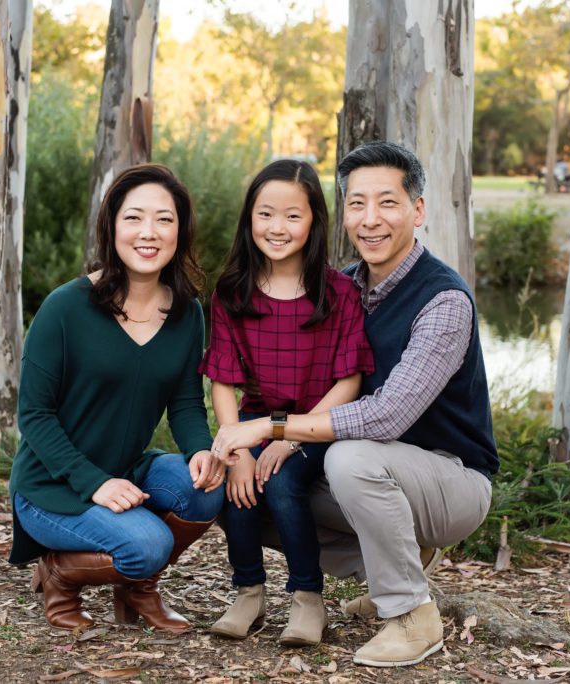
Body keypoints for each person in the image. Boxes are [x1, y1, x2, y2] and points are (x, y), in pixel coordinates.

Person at [211, 141, 499, 668]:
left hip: (451, 478)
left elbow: (386, 416)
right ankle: (402, 563)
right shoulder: (341, 288)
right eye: (357, 204)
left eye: (387, 203)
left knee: (350, 457)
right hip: (377, 476)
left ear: (418, 209)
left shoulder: (442, 301)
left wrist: (271, 429)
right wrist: (251, 445)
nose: (371, 220)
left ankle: (412, 614)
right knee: (248, 490)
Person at [8, 164, 225, 634]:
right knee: (148, 545)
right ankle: (59, 575)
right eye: (134, 218)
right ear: (112, 227)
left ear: (180, 230)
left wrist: (201, 450)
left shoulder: (187, 313)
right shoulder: (65, 307)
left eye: (164, 219)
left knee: (205, 490)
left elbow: (186, 401)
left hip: (126, 467)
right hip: (53, 485)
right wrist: (94, 483)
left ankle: (135, 590)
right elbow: (34, 415)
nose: (149, 233)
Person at [200, 159, 373, 646]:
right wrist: (234, 447)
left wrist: (288, 436)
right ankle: (248, 592)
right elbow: (222, 382)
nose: (278, 228)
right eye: (266, 214)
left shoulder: (339, 291)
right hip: (255, 418)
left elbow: (350, 380)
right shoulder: (232, 292)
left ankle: (306, 599)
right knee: (237, 481)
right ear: (249, 218)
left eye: (293, 216)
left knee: (280, 482)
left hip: (320, 419)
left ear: (315, 220)